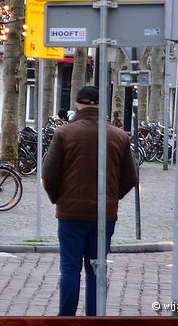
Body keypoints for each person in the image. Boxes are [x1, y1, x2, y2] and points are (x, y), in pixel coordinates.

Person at [41, 85, 138, 316]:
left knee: (70, 269)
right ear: (100, 105)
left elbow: (50, 174)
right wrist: (111, 199)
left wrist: (59, 200)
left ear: (77, 105)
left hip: (71, 216)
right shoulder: (118, 135)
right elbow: (130, 178)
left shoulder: (64, 133)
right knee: (97, 269)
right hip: (104, 216)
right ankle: (94, 317)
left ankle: (65, 318)